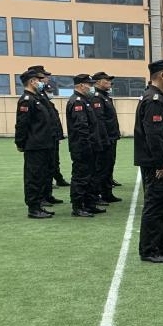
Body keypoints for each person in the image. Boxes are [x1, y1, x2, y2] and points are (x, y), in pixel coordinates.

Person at [134, 59, 163, 263]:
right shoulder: (154, 100)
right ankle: (149, 249)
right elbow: (154, 135)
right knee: (154, 206)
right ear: (162, 75)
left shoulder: (159, 98)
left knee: (162, 205)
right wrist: (161, 163)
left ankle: (160, 245)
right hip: (157, 164)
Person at [15, 68, 55, 219]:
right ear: (32, 82)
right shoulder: (27, 100)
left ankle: (39, 205)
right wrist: (20, 143)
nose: (41, 82)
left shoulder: (37, 98)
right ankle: (33, 208)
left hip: (44, 143)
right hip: (35, 145)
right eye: (38, 80)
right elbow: (22, 124)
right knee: (34, 177)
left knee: (41, 176)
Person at [66, 74, 105, 217]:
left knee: (91, 177)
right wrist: (86, 145)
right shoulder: (77, 102)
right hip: (82, 147)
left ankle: (89, 204)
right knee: (81, 177)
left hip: (90, 146)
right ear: (81, 85)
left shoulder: (84, 100)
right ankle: (77, 206)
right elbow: (81, 127)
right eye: (89, 84)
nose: (91, 87)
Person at [92, 72, 123, 204]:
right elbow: (100, 121)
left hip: (111, 137)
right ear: (98, 82)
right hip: (105, 139)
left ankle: (107, 192)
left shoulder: (105, 96)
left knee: (109, 166)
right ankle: (98, 194)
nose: (110, 83)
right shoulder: (97, 97)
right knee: (102, 168)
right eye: (107, 80)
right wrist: (104, 139)